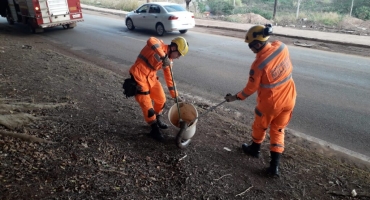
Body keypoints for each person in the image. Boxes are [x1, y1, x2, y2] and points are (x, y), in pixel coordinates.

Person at [224, 24, 297, 176]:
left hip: (271, 103)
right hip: (290, 97)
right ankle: (274, 167)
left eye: (251, 46)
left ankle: (255, 149)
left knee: (260, 125)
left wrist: (235, 97)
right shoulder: (282, 47)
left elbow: (250, 89)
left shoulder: (258, 65)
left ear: (257, 44)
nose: (250, 49)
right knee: (278, 129)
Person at [129, 36, 189, 142]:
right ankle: (154, 128)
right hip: (139, 75)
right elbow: (150, 40)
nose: (178, 57)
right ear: (174, 48)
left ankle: (157, 118)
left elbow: (170, 78)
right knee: (147, 105)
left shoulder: (169, 61)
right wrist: (163, 56)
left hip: (151, 77)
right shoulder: (159, 45)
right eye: (179, 54)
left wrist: (176, 96)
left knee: (161, 99)